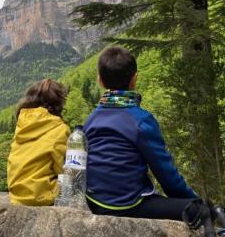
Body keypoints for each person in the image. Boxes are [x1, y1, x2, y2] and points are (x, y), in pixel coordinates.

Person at [83, 46, 205, 222]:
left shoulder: (91, 119)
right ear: (135, 79)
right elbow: (166, 175)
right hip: (128, 205)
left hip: (94, 202)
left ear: (100, 81)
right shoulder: (141, 120)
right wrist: (193, 201)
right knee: (201, 211)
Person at [7, 79, 70, 206]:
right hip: (41, 197)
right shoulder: (59, 129)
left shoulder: (22, 124)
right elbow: (63, 170)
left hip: (16, 196)